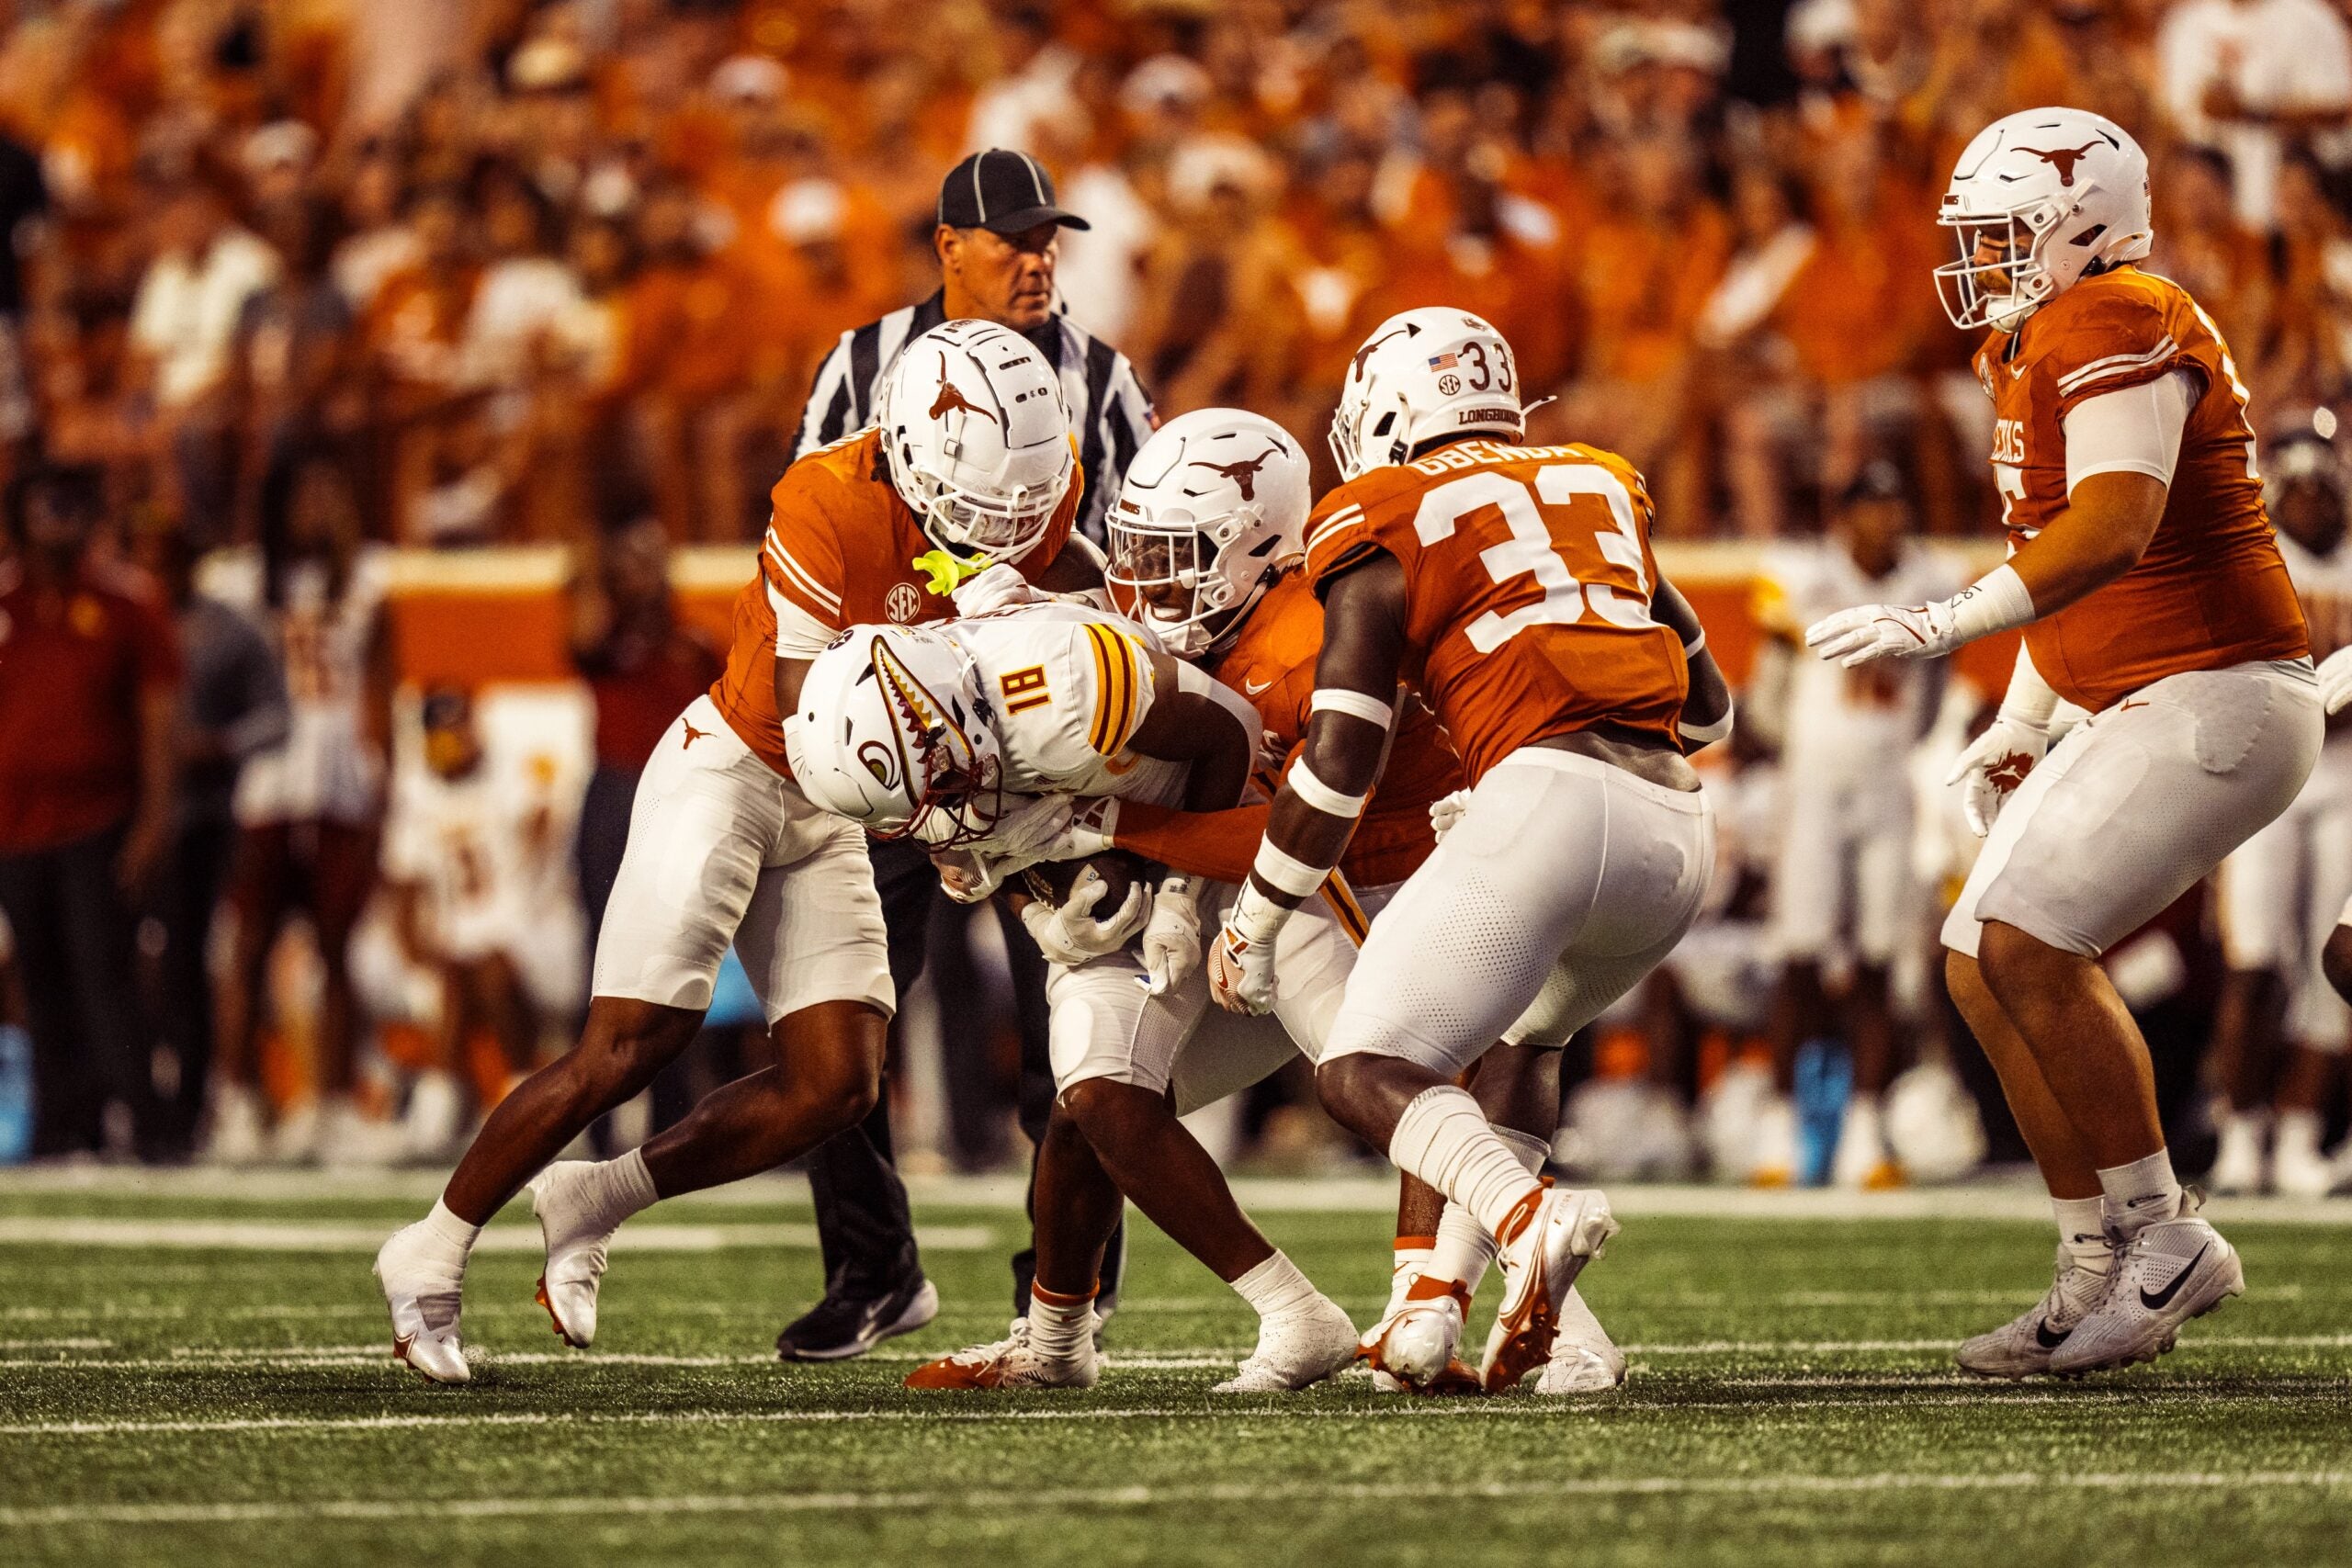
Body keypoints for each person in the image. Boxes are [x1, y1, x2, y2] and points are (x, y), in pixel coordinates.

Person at [373, 320, 1099, 1383]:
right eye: (982, 511)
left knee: (836, 1084)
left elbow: (1053, 589)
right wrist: (962, 816)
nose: (1005, 534)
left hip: (839, 810)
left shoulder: (1030, 485)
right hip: (747, 765)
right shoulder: (825, 500)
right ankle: (431, 1247)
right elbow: (826, 728)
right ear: (908, 447)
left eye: (1019, 510)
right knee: (630, 1043)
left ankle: (596, 1196)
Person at [905, 409, 1628, 1396]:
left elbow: (1291, 830)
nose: (1146, 588)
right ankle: (1071, 1343)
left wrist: (1110, 832)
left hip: (1356, 884)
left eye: (1174, 559)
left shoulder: (1306, 637)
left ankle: (1557, 1324)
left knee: (1391, 1083)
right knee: (1095, 1099)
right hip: (1247, 893)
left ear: (1259, 549)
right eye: (1137, 555)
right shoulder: (1187, 622)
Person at [1806, 108, 2321, 1378]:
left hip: (2220, 688)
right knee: (1978, 958)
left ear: (2077, 221)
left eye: (2001, 232)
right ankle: (2093, 1249)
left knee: (2033, 940)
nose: (1979, 259)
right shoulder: (2040, 335)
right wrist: (2018, 718)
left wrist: (1943, 624)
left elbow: (2117, 528)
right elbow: (2077, 553)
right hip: (2149, 690)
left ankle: (2162, 1232)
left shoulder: (2113, 311)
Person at [1208, 309, 1728, 1393]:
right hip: (1676, 832)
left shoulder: (1380, 507)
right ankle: (1462, 1315)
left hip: (1552, 804)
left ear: (1388, 415)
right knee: (1523, 1045)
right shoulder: (1596, 481)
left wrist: (1255, 918)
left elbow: (1344, 751)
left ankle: (1528, 1218)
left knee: (1363, 1068)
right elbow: (1710, 710)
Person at [787, 580, 1363, 1393]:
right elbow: (995, 842)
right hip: (1133, 883)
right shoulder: (924, 749)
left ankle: (1450, 1293)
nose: (936, 818)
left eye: (939, 785)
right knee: (1090, 1096)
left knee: (1376, 1060)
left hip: (1248, 858)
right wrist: (1034, 917)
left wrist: (1174, 893)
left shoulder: (1061, 681)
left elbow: (1230, 732)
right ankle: (1063, 1343)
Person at [778, 150, 1156, 1362]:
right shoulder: (859, 366)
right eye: (1013, 239)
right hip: (898, 739)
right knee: (833, 1011)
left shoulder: (1101, 375)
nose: (1040, 258)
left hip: (1044, 743)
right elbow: (806, 524)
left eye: (1050, 238)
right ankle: (873, 1263)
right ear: (949, 247)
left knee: (1080, 1003)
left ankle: (1073, 1276)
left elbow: (1147, 548)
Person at [1747, 461, 1954, 1188]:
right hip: (1814, 781)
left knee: (1877, 955)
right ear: (1844, 515)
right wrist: (1797, 750)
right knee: (1799, 954)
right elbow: (1767, 691)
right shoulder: (1802, 577)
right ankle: (1778, 1127)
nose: (1884, 519)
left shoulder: (1934, 579)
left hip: (1888, 781)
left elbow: (1936, 692)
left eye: (1894, 503)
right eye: (1870, 505)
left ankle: (1867, 1131)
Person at [204, 450, 397, 1166]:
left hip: (339, 780)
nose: (319, 508)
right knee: (247, 945)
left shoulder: (370, 583)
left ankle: (335, 1102)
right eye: (305, 494)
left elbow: (381, 695)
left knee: (337, 948)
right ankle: (238, 1098)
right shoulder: (240, 583)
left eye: (331, 492)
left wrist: (385, 795)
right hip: (264, 780)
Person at [0, 466, 177, 1159]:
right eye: (46, 503)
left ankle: (144, 1117)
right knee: (38, 981)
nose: (59, 518)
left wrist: (154, 820)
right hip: (15, 826)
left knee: (105, 974)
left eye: (72, 503)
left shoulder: (126, 603)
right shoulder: (6, 603)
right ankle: (60, 1122)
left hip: (98, 820)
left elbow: (159, 715)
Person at [2208, 430, 2352, 1196]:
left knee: (2332, 961)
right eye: (2301, 489)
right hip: (2267, 778)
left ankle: (2299, 1131)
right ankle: (2241, 1126)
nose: (2316, 502)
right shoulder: (2253, 561)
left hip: (2345, 780)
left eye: (2326, 488)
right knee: (2255, 958)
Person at [379, 686, 582, 1157]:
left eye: (457, 729)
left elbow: (544, 849)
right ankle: (511, 1103)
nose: (450, 742)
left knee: (486, 969)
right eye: (438, 733)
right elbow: (404, 891)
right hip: (458, 942)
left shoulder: (513, 774)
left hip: (533, 931)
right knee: (458, 971)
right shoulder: (416, 789)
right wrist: (416, 954)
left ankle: (448, 1104)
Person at [137, 523, 288, 1156]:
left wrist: (221, 745)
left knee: (187, 963)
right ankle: (124, 1098)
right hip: (114, 817)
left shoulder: (228, 629)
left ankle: (188, 1107)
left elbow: (277, 716)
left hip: (197, 820)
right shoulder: (117, 617)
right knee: (115, 965)